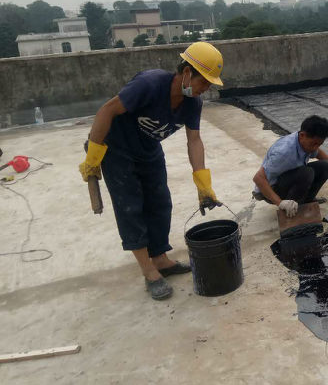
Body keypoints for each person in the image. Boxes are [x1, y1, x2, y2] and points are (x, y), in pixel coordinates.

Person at [78, 42, 224, 300]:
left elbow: (194, 140)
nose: (206, 88)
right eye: (204, 81)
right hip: (117, 149)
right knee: (131, 208)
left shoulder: (193, 103)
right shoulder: (150, 84)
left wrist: (203, 183)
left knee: (160, 203)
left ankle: (161, 259)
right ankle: (149, 271)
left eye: (210, 84)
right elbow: (107, 110)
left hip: (148, 149)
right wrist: (93, 155)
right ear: (187, 72)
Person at [253, 115, 328, 217]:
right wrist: (280, 203)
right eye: (314, 144)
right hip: (269, 190)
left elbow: (317, 152)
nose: (315, 148)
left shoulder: (304, 142)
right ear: (302, 135)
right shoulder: (284, 153)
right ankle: (290, 210)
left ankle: (306, 201)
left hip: (285, 179)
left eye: (319, 144)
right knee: (306, 173)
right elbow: (258, 178)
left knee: (326, 166)